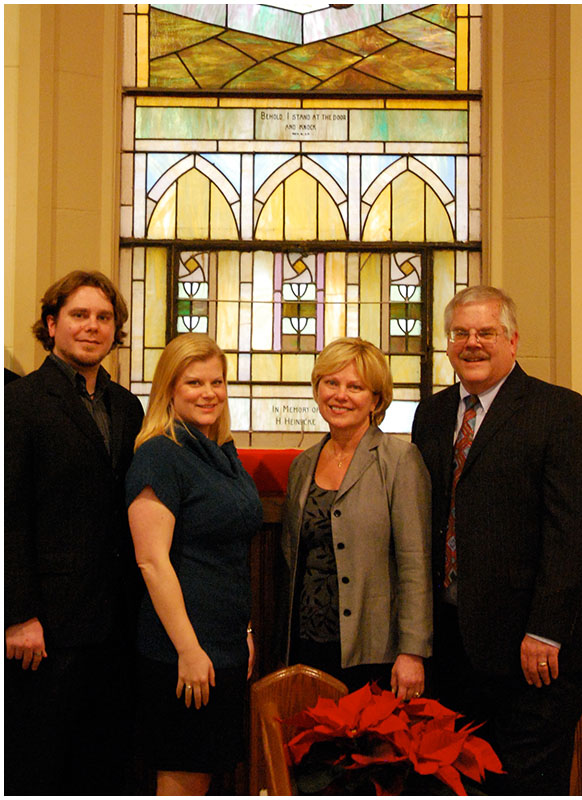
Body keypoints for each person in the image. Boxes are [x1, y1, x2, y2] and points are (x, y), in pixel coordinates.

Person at [411, 285, 582, 795]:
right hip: (451, 648)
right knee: (454, 786)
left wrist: (547, 631)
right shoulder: (431, 414)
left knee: (524, 785)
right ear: (448, 344)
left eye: (485, 332)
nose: (473, 343)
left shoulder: (561, 411)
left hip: (533, 654)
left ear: (512, 340)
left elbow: (576, 531)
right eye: (461, 333)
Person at [5, 270, 145, 796]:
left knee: (105, 765)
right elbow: (9, 514)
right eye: (79, 315)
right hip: (47, 627)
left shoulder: (127, 407)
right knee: (40, 767)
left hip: (116, 623)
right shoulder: (19, 403)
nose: (93, 327)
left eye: (104, 317)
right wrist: (19, 615)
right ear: (51, 323)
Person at [126, 332, 262, 796]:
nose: (209, 393)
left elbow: (230, 555)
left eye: (217, 382)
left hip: (222, 645)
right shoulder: (161, 454)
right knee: (182, 780)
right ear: (169, 390)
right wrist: (187, 649)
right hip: (181, 651)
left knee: (206, 775)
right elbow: (151, 561)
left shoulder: (223, 453)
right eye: (194, 383)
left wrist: (242, 632)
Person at [279, 337, 432, 696]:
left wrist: (412, 651)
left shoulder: (399, 461)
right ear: (317, 389)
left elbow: (415, 563)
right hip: (306, 643)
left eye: (355, 387)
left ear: (376, 399)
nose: (340, 395)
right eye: (331, 383)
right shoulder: (303, 465)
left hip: (373, 649)